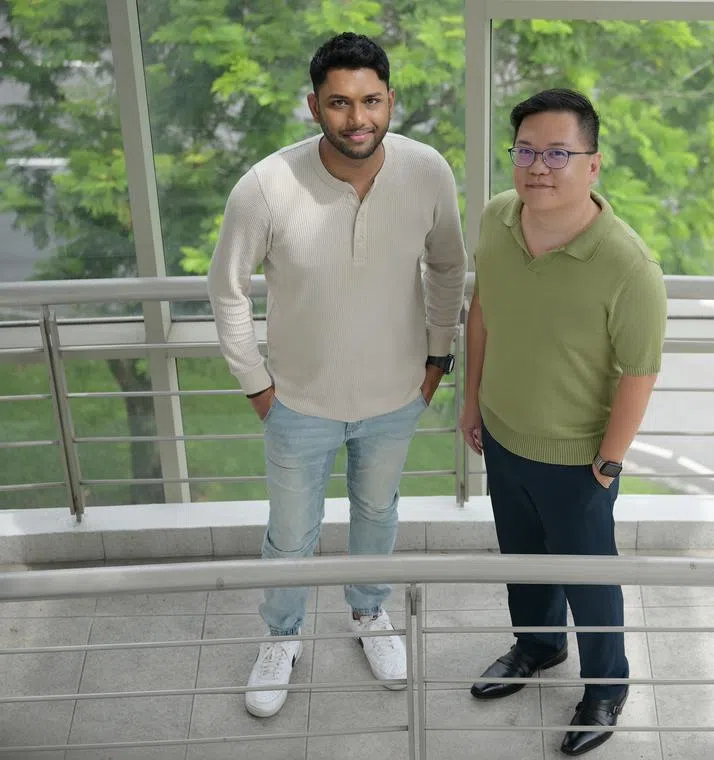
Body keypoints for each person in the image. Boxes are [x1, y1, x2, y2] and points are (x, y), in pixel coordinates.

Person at [207, 32, 466, 719]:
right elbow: (226, 291)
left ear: (391, 99)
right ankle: (281, 637)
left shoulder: (428, 171)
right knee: (291, 534)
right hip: (297, 405)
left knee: (378, 515)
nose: (358, 118)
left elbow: (448, 267)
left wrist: (437, 359)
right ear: (313, 105)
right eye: (340, 103)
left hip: (396, 398)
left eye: (371, 100)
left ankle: (368, 614)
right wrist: (258, 387)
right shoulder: (266, 186)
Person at [459, 89, 667, 756]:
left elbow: (639, 373)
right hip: (503, 434)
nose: (538, 167)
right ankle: (538, 645)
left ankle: (607, 686)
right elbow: (483, 311)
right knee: (523, 559)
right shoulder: (497, 218)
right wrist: (471, 400)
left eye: (557, 153)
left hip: (578, 459)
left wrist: (607, 462)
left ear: (593, 164)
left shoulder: (629, 266)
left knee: (589, 580)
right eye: (525, 151)